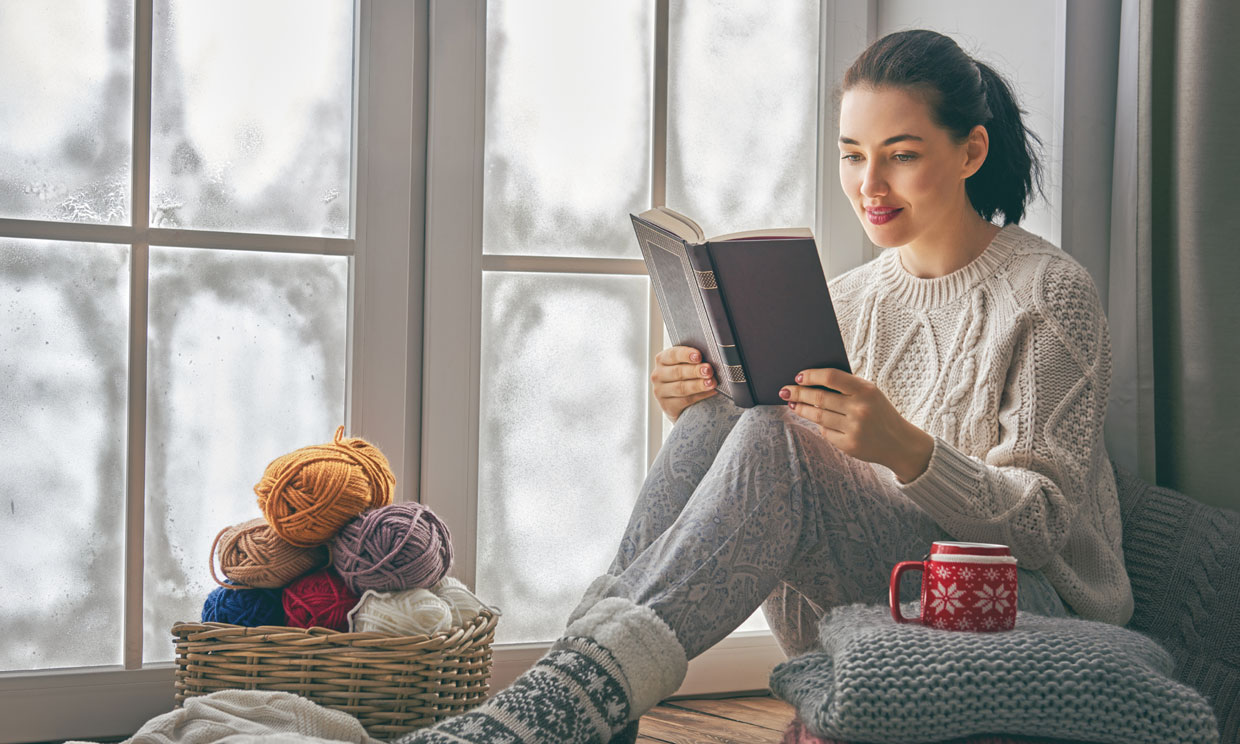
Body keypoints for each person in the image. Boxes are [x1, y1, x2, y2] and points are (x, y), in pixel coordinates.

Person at [402, 28, 1133, 744]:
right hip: (893, 587)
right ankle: (583, 692)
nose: (869, 186)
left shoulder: (1049, 293)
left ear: (971, 149)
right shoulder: (847, 300)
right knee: (736, 410)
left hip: (1021, 609)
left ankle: (564, 705)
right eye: (852, 156)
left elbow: (1041, 529)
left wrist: (908, 451)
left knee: (776, 434)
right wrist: (692, 401)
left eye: (901, 156)